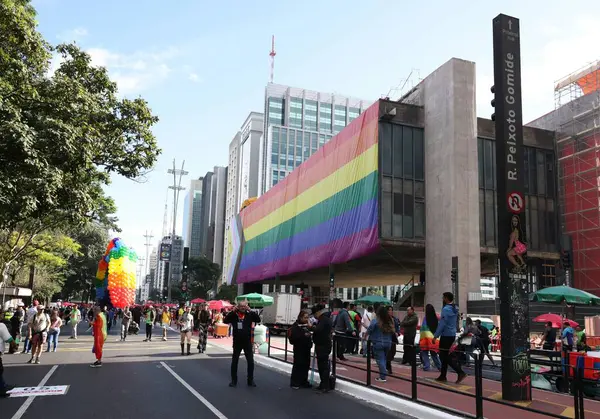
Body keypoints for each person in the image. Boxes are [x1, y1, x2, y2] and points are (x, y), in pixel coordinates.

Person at [224, 301, 261, 387]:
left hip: (247, 341)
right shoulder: (234, 315)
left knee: (251, 361)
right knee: (235, 361)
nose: (243, 308)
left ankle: (250, 380)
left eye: (245, 306)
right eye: (241, 306)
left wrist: (251, 310)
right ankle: (234, 380)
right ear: (238, 307)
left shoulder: (249, 314)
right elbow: (225, 320)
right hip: (237, 341)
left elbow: (258, 319)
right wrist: (233, 311)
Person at [432, 292, 466, 384]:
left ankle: (460, 372)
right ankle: (443, 375)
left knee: (443, 355)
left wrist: (435, 336)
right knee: (445, 355)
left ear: (446, 298)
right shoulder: (454, 308)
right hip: (452, 334)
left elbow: (442, 323)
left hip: (446, 334)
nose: (442, 299)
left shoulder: (446, 309)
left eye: (443, 297)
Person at [366, 306, 395, 383]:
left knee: (380, 359)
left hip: (378, 342)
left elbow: (369, 329)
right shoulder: (390, 321)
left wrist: (365, 336)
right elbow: (393, 331)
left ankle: (382, 376)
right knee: (384, 359)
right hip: (388, 343)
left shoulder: (375, 321)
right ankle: (383, 372)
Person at [311, 304, 333, 393]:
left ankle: (325, 385)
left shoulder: (323, 319)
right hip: (323, 344)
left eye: (314, 314)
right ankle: (323, 384)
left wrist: (311, 326)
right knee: (322, 365)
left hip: (323, 345)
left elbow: (318, 330)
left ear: (318, 312)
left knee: (323, 366)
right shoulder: (325, 319)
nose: (314, 316)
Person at [289, 311, 313, 389]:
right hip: (299, 349)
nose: (307, 319)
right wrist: (304, 335)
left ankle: (303, 381)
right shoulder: (296, 326)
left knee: (306, 365)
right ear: (300, 317)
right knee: (298, 365)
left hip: (306, 348)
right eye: (305, 317)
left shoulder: (307, 326)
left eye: (307, 317)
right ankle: (295, 382)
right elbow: (293, 338)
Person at [419, 304, 441, 372]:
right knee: (434, 353)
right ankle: (440, 367)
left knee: (424, 352)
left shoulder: (426, 318)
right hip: (434, 339)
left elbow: (423, 329)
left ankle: (427, 366)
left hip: (425, 339)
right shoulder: (436, 317)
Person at [0, 321, 18, 397]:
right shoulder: (1, 325)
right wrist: (15, 345)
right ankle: (2, 388)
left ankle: (2, 387)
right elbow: (9, 339)